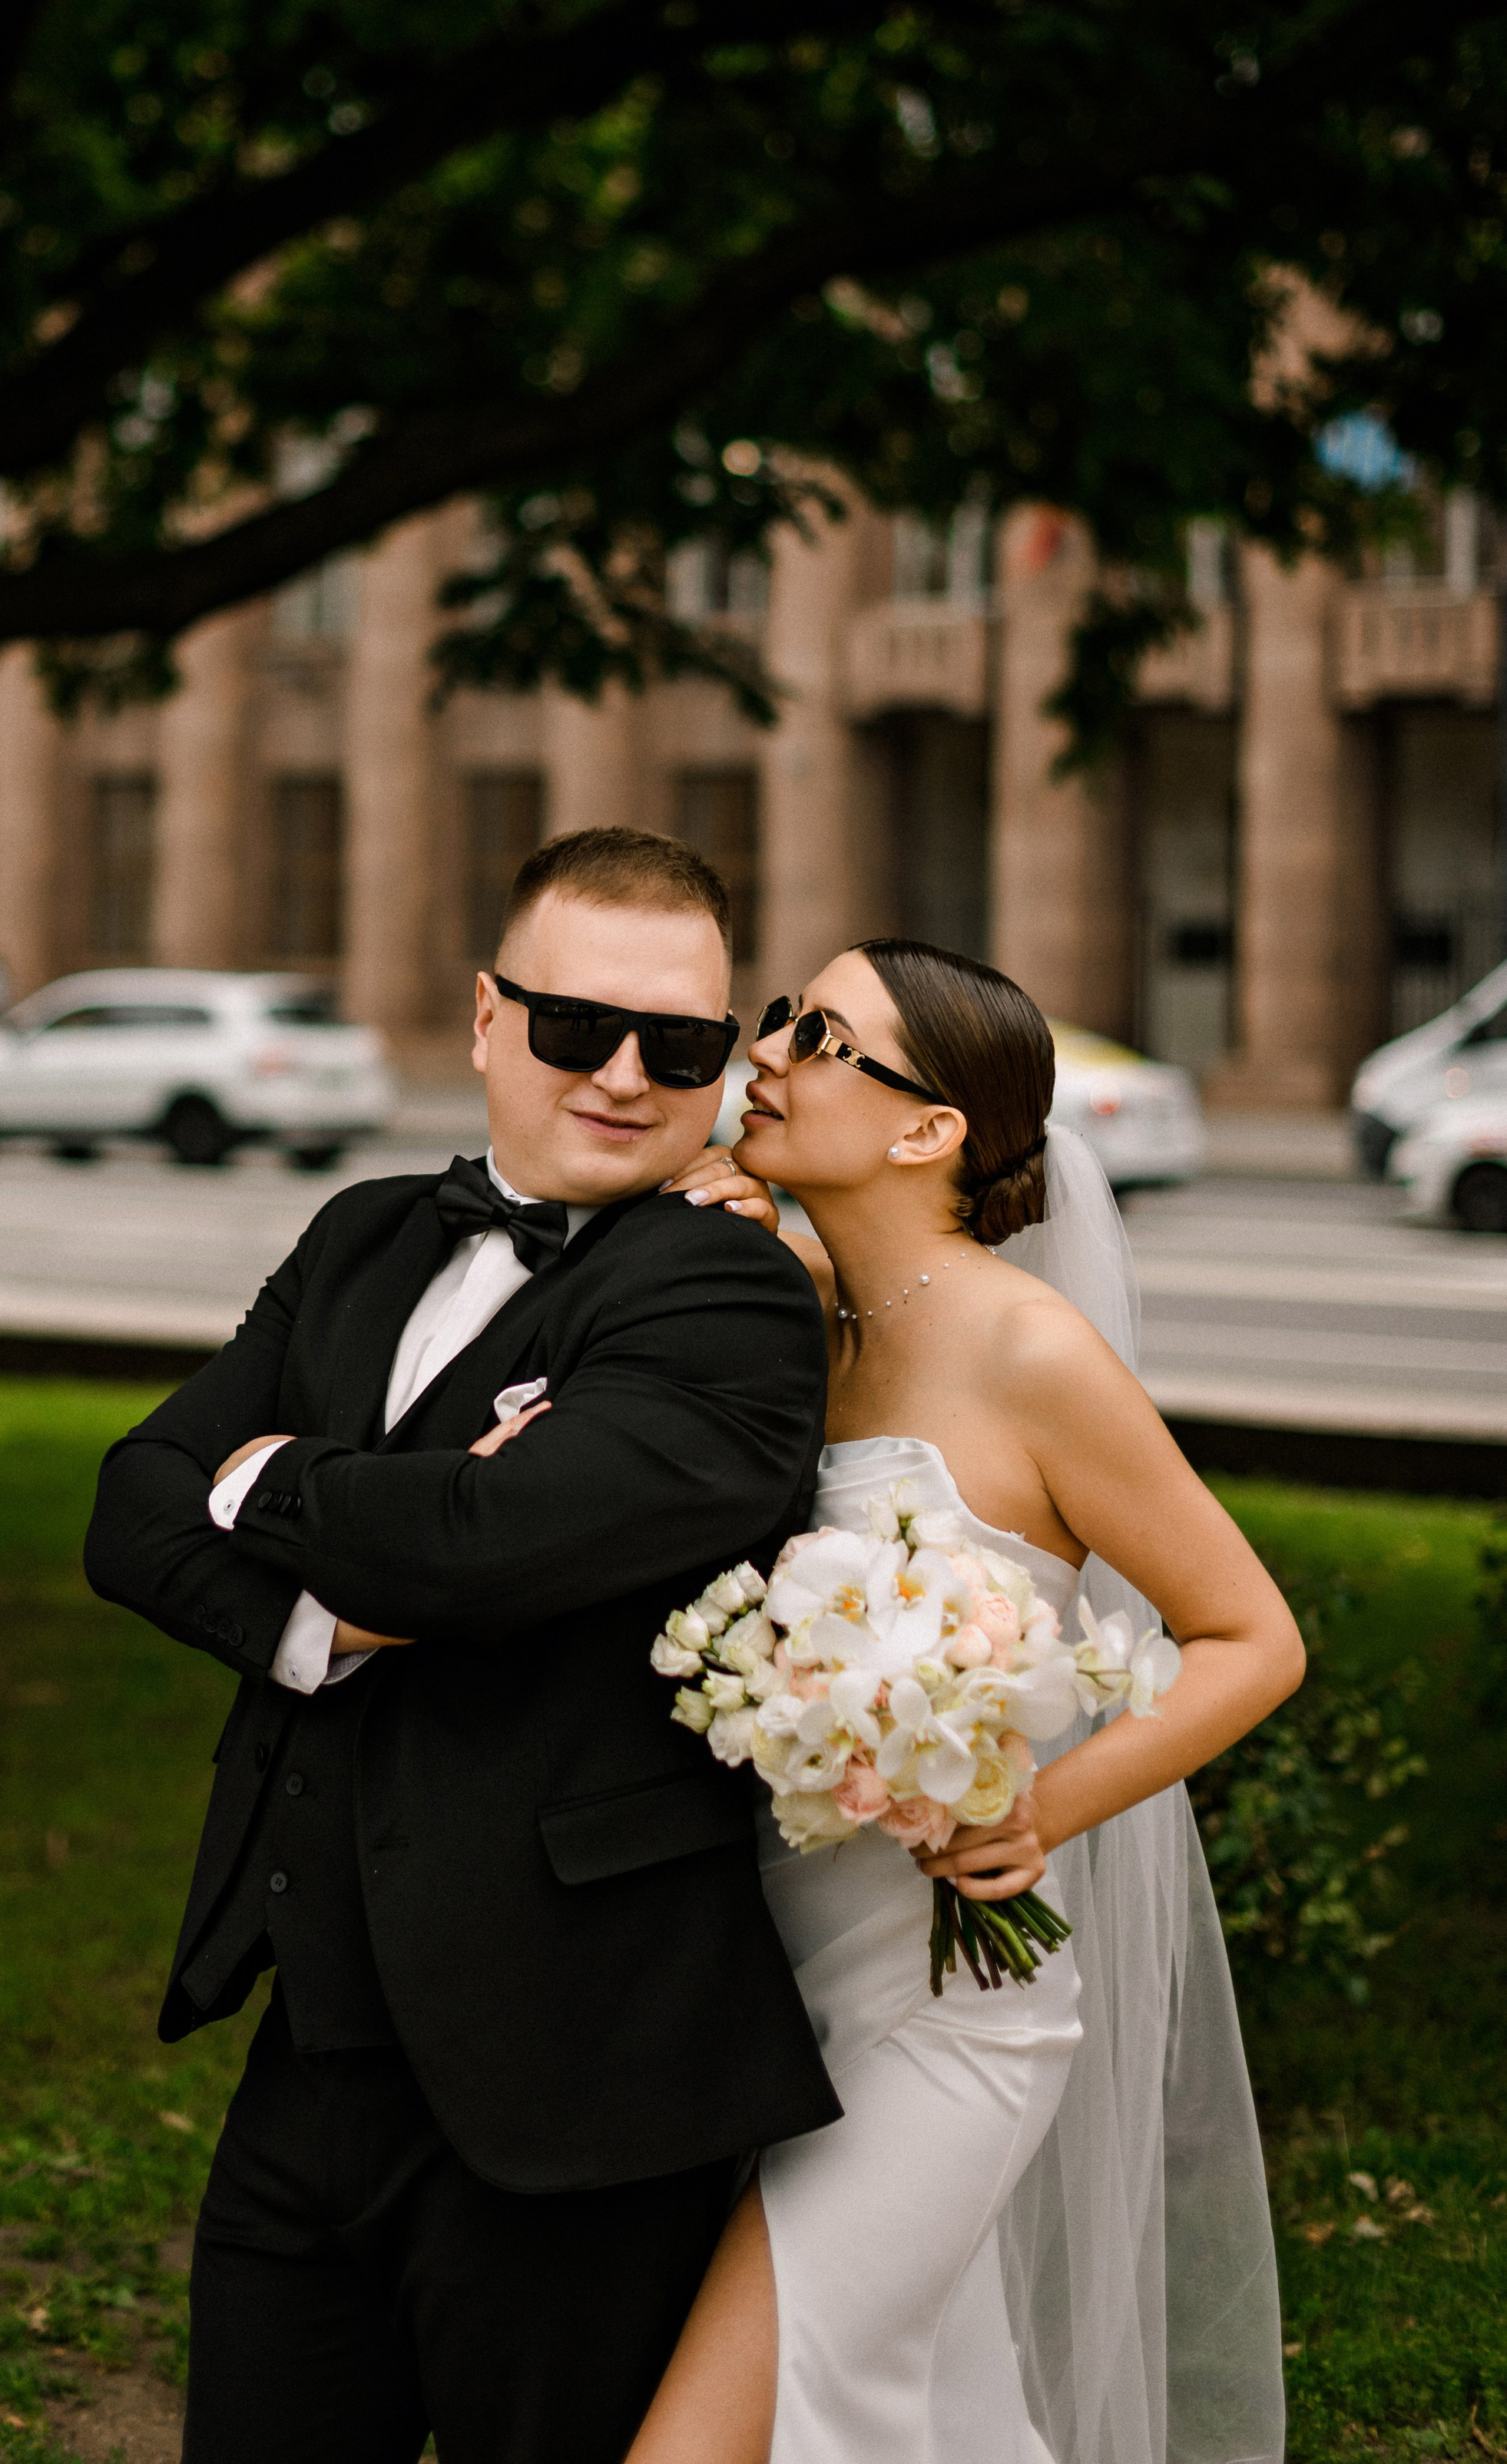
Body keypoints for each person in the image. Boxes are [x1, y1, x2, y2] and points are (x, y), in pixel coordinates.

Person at [82, 827, 841, 2464]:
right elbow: (128, 1508)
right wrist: (321, 1620)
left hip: (583, 2081)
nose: (626, 1077)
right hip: (312, 2051)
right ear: (487, 1018)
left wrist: (269, 1474)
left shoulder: (729, 1291)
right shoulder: (365, 1231)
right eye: (577, 1027)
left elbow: (484, 1550)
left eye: (684, 1047)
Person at [618, 938, 1304, 2464]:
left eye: (819, 1036)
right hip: (769, 1997)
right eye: (782, 1017)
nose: (769, 1051)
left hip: (941, 2021)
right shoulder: (803, 1314)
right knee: (918, 2421)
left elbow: (1250, 1637)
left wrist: (1037, 1808)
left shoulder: (1026, 1350)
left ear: (928, 1130)